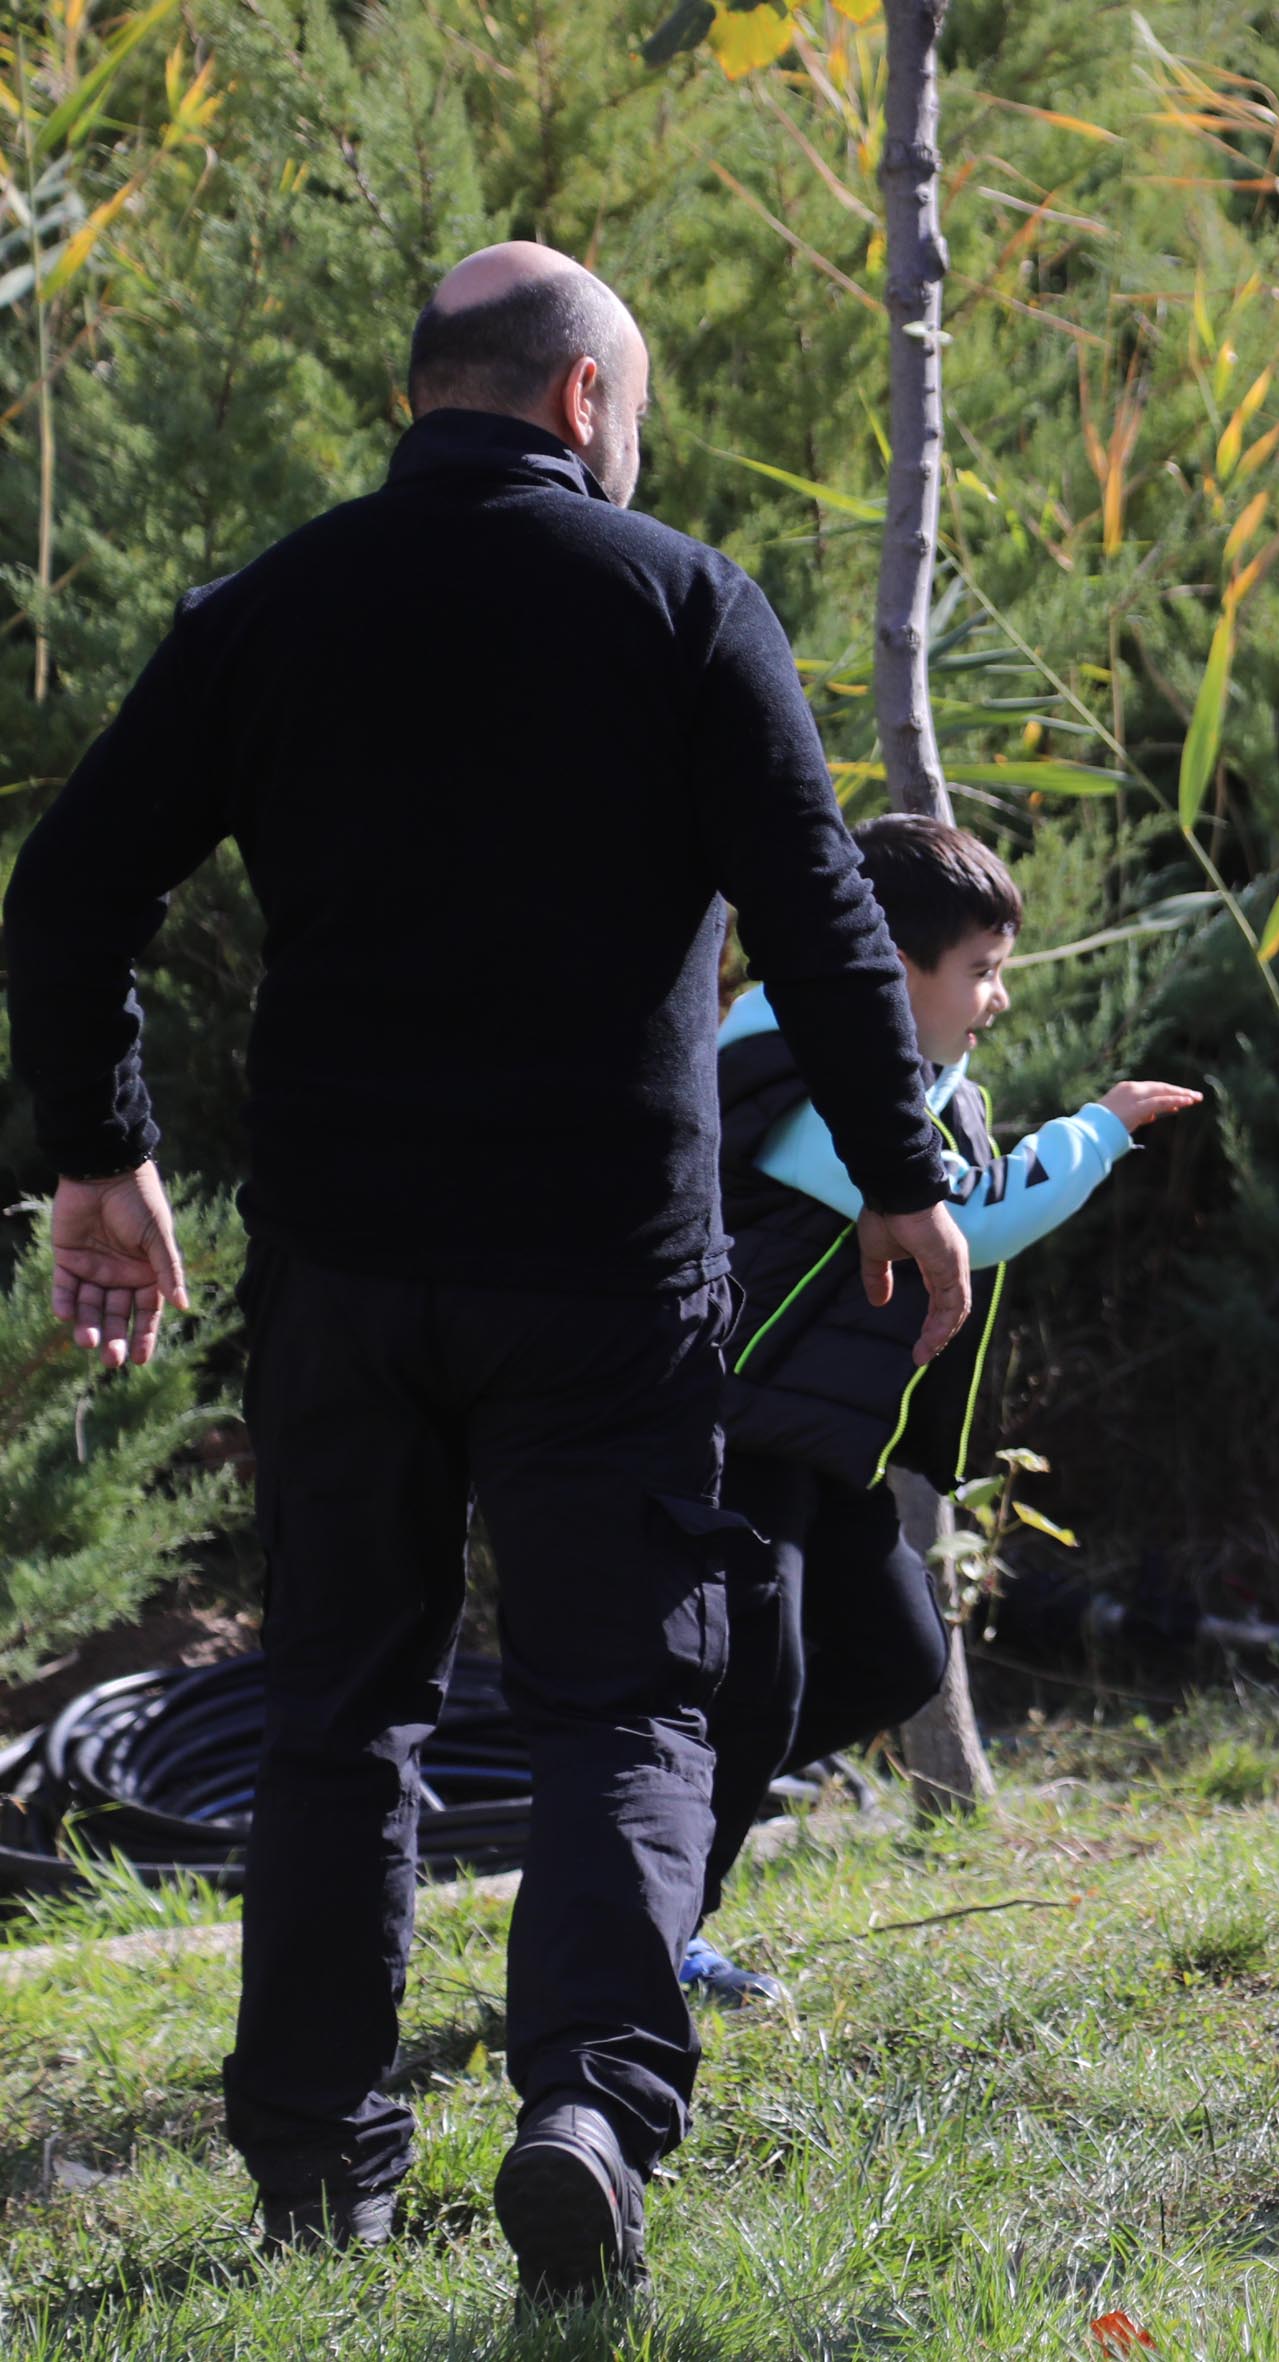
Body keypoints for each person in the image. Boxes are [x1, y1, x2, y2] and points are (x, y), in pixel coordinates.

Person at [0, 243, 973, 2299]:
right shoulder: (680, 600)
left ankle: (319, 2166)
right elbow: (813, 905)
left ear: (421, 400)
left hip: (347, 1271)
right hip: (607, 1272)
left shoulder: (270, 608)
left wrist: (101, 1150)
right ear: (583, 405)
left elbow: (71, 877)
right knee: (628, 1687)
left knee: (338, 1708)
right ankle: (592, 2108)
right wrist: (905, 1176)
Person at [684, 814, 1195, 2007]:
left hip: (822, 1433)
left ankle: (654, 1813)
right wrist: (1100, 1129)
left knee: (890, 1660)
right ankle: (647, 1931)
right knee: (756, 1691)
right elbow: (967, 1215)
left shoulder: (908, 1078)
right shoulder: (787, 1064)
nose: (999, 998)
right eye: (981, 969)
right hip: (733, 1426)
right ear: (884, 969)